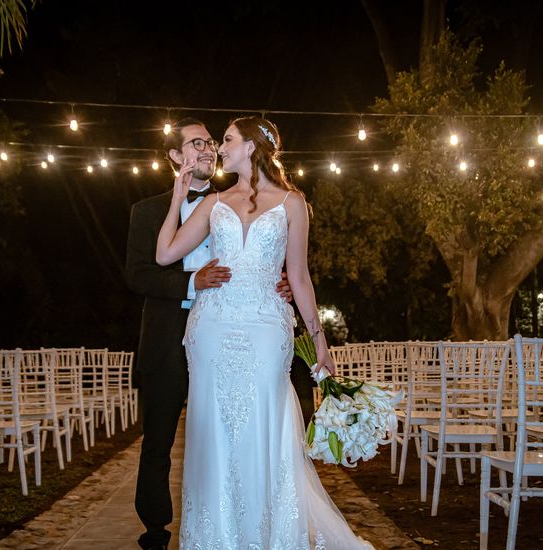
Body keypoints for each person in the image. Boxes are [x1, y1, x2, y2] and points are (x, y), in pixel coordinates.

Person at [155, 116, 372, 548]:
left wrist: (319, 343)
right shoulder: (212, 203)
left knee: (263, 428)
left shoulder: (292, 202)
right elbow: (164, 255)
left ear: (251, 147)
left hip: (267, 330)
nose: (220, 147)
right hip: (212, 329)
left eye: (228, 140)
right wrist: (178, 195)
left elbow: (301, 277)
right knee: (213, 433)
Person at [125, 118, 291, 550]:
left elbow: (259, 253)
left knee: (226, 434)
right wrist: (190, 282)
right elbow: (138, 274)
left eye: (210, 142)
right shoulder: (146, 211)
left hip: (228, 334)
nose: (207, 149)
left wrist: (277, 279)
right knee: (158, 443)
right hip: (168, 338)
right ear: (175, 157)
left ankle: (235, 526)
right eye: (195, 143)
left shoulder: (232, 201)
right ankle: (156, 533)